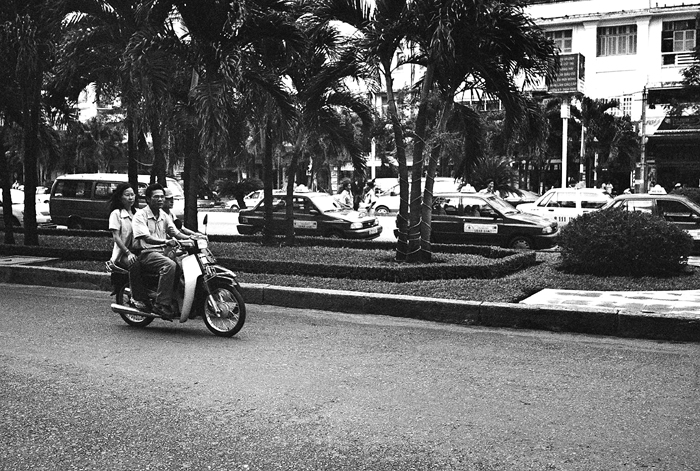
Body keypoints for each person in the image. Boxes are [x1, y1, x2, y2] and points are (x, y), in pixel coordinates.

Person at [132, 183, 193, 319]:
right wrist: (165, 241)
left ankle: (177, 299)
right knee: (169, 265)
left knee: (184, 263)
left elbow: (176, 233)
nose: (160, 200)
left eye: (162, 197)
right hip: (148, 253)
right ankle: (161, 303)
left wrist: (193, 237)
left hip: (164, 252)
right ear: (148, 199)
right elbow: (146, 238)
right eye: (156, 197)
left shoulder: (164, 215)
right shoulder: (140, 216)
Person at [107, 183, 139, 269]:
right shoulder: (116, 214)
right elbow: (116, 237)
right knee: (135, 265)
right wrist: (128, 253)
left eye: (132, 195)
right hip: (123, 254)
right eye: (127, 195)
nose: (130, 198)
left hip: (138, 251)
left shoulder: (138, 213)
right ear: (120, 197)